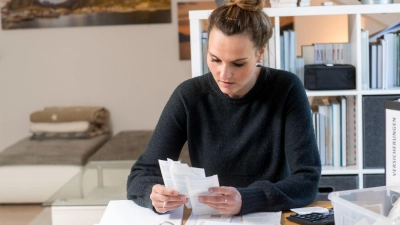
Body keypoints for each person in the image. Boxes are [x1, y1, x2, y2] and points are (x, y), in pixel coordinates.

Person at [126, 0, 321, 216]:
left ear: (260, 53)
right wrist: (153, 193)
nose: (224, 74)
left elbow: (307, 178)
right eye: (215, 59)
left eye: (238, 64)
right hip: (210, 219)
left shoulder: (287, 89)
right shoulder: (189, 95)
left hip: (270, 215)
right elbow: (141, 174)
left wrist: (248, 199)